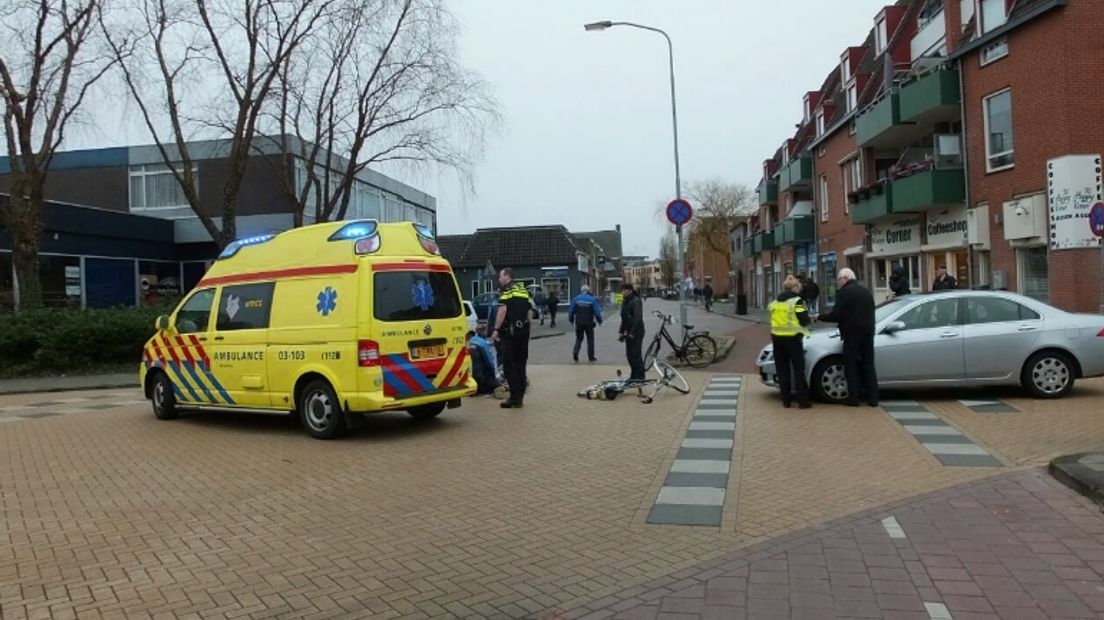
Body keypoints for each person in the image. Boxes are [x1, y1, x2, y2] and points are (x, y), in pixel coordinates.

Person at [814, 268, 878, 407]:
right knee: (868, 365)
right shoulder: (866, 292)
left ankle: (853, 398)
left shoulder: (844, 293)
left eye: (839, 279)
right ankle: (873, 398)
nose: (838, 282)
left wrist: (819, 317)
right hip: (868, 332)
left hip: (852, 333)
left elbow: (836, 315)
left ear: (845, 278)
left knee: (851, 365)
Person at [769, 275, 812, 409]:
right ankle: (803, 401)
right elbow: (804, 320)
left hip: (777, 339)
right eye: (798, 287)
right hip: (793, 339)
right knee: (799, 370)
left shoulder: (775, 302)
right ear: (794, 288)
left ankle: (786, 401)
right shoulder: (797, 302)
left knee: (782, 371)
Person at [492, 268, 533, 409]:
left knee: (509, 364)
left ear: (507, 276)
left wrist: (496, 330)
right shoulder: (523, 290)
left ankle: (514, 398)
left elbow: (502, 310)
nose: (499, 279)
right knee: (521, 364)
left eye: (501, 276)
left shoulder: (507, 291)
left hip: (511, 332)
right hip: (524, 331)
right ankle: (520, 396)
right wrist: (527, 327)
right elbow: (530, 311)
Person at [568, 284, 604, 362]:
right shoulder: (592, 299)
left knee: (579, 338)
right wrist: (599, 320)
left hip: (579, 322)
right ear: (588, 291)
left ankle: (575, 352)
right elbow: (597, 312)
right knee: (590, 339)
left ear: (582, 291)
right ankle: (591, 356)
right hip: (589, 323)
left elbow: (571, 310)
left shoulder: (576, 299)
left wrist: (571, 319)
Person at [618, 282, 646, 383]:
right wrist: (621, 332)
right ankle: (634, 375)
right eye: (622, 290)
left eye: (624, 290)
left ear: (630, 290)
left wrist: (632, 333)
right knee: (629, 355)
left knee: (636, 354)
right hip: (628, 331)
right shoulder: (625, 301)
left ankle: (640, 376)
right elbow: (624, 318)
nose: (623, 292)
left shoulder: (636, 301)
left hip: (637, 331)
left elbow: (637, 318)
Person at [466, 325, 498, 395]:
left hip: (470, 380)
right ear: (486, 332)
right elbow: (490, 363)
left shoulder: (471, 341)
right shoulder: (484, 344)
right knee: (498, 383)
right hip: (481, 381)